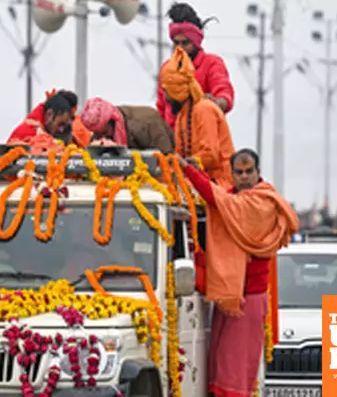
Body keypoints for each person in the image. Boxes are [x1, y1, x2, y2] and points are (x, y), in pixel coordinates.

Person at [177, 148, 299, 397]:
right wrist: (197, 172)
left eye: (249, 171)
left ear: (258, 173)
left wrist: (189, 171)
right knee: (220, 368)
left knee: (235, 376)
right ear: (232, 174)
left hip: (249, 298)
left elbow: (217, 199)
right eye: (239, 172)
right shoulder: (233, 198)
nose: (244, 177)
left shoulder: (262, 202)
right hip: (230, 296)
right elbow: (221, 199)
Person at [160, 46, 235, 186]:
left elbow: (210, 155)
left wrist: (182, 164)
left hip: (221, 185)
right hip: (197, 180)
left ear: (177, 90)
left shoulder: (204, 109)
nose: (164, 98)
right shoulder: (182, 115)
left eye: (166, 91)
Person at [156, 2, 234, 129]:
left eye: (185, 43)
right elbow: (161, 108)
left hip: (205, 137)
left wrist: (213, 103)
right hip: (173, 140)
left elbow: (225, 95)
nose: (180, 48)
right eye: (176, 43)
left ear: (196, 43)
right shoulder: (167, 69)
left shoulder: (212, 63)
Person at [79, 97, 175, 153]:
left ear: (112, 120)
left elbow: (166, 157)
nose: (102, 138)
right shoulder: (99, 128)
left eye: (104, 132)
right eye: (98, 134)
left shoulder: (144, 124)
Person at [7, 91, 76, 145]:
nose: (61, 130)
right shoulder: (28, 132)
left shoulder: (45, 129)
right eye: (60, 124)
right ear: (49, 114)